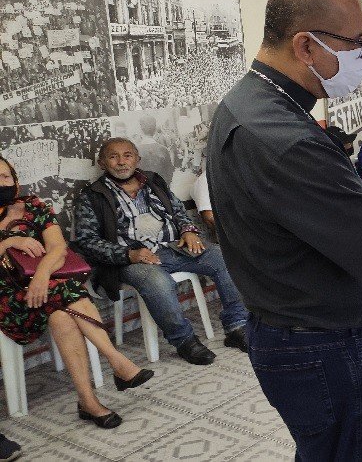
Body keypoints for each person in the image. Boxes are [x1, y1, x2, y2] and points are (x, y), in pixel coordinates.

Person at [206, 0, 362, 461]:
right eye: (353, 43)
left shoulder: (247, 105)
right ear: (306, 46)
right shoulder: (286, 140)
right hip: (327, 350)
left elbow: (291, 211)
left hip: (290, 333)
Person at [0, 156, 154, 429]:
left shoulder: (33, 206)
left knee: (61, 313)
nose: (2, 182)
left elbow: (58, 249)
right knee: (67, 292)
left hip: (45, 289)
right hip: (8, 299)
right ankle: (117, 361)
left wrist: (41, 276)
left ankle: (88, 401)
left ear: (14, 178)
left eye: (5, 176)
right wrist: (11, 240)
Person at [72, 138, 249, 365]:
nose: (121, 162)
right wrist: (129, 255)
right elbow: (88, 242)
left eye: (127, 155)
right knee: (158, 282)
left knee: (224, 257)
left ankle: (237, 326)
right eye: (113, 157)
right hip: (134, 260)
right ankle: (184, 341)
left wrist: (188, 230)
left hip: (175, 247)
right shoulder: (92, 196)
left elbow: (178, 212)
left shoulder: (153, 182)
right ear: (102, 163)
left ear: (137, 159)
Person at [136, 114, 175, 185]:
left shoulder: (135, 151)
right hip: (161, 188)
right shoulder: (163, 149)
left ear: (141, 129)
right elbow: (169, 172)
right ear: (154, 130)